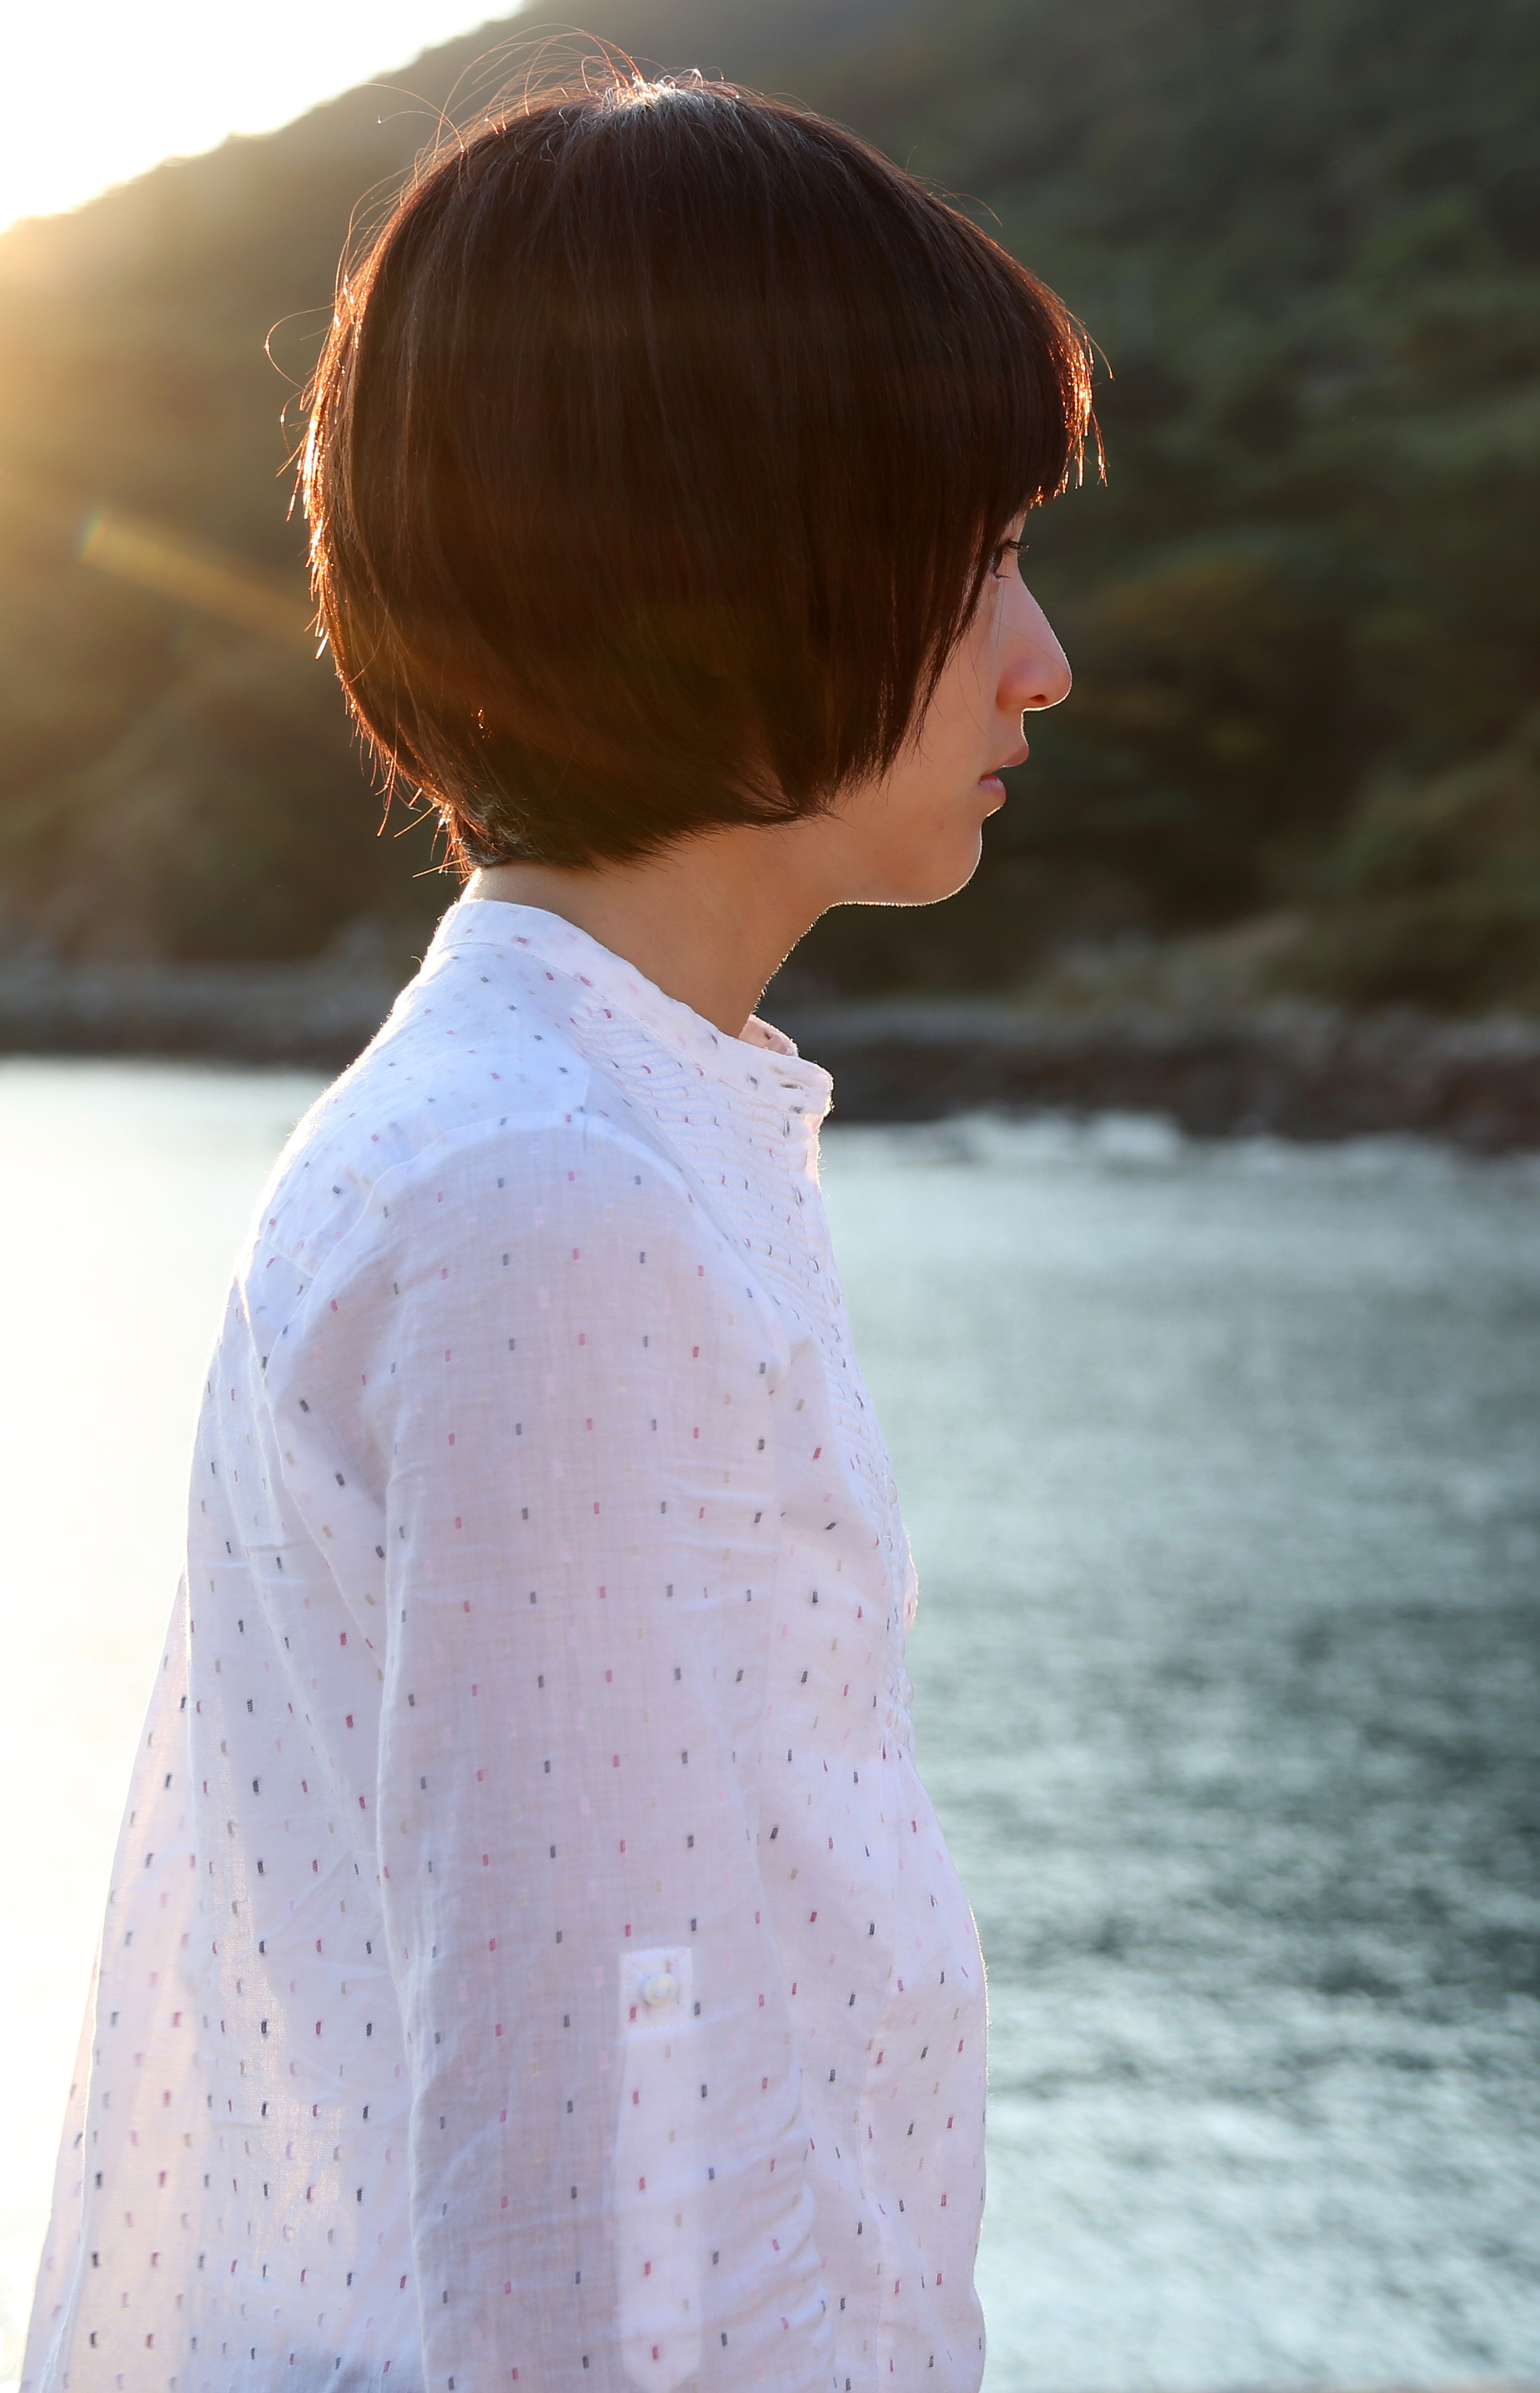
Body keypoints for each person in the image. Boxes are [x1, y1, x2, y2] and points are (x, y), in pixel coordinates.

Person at [21, 67, 1086, 2391]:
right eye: (982, 551)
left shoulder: (590, 1130)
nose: (1044, 657)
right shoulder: (556, 1203)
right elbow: (592, 2193)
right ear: (742, 549)